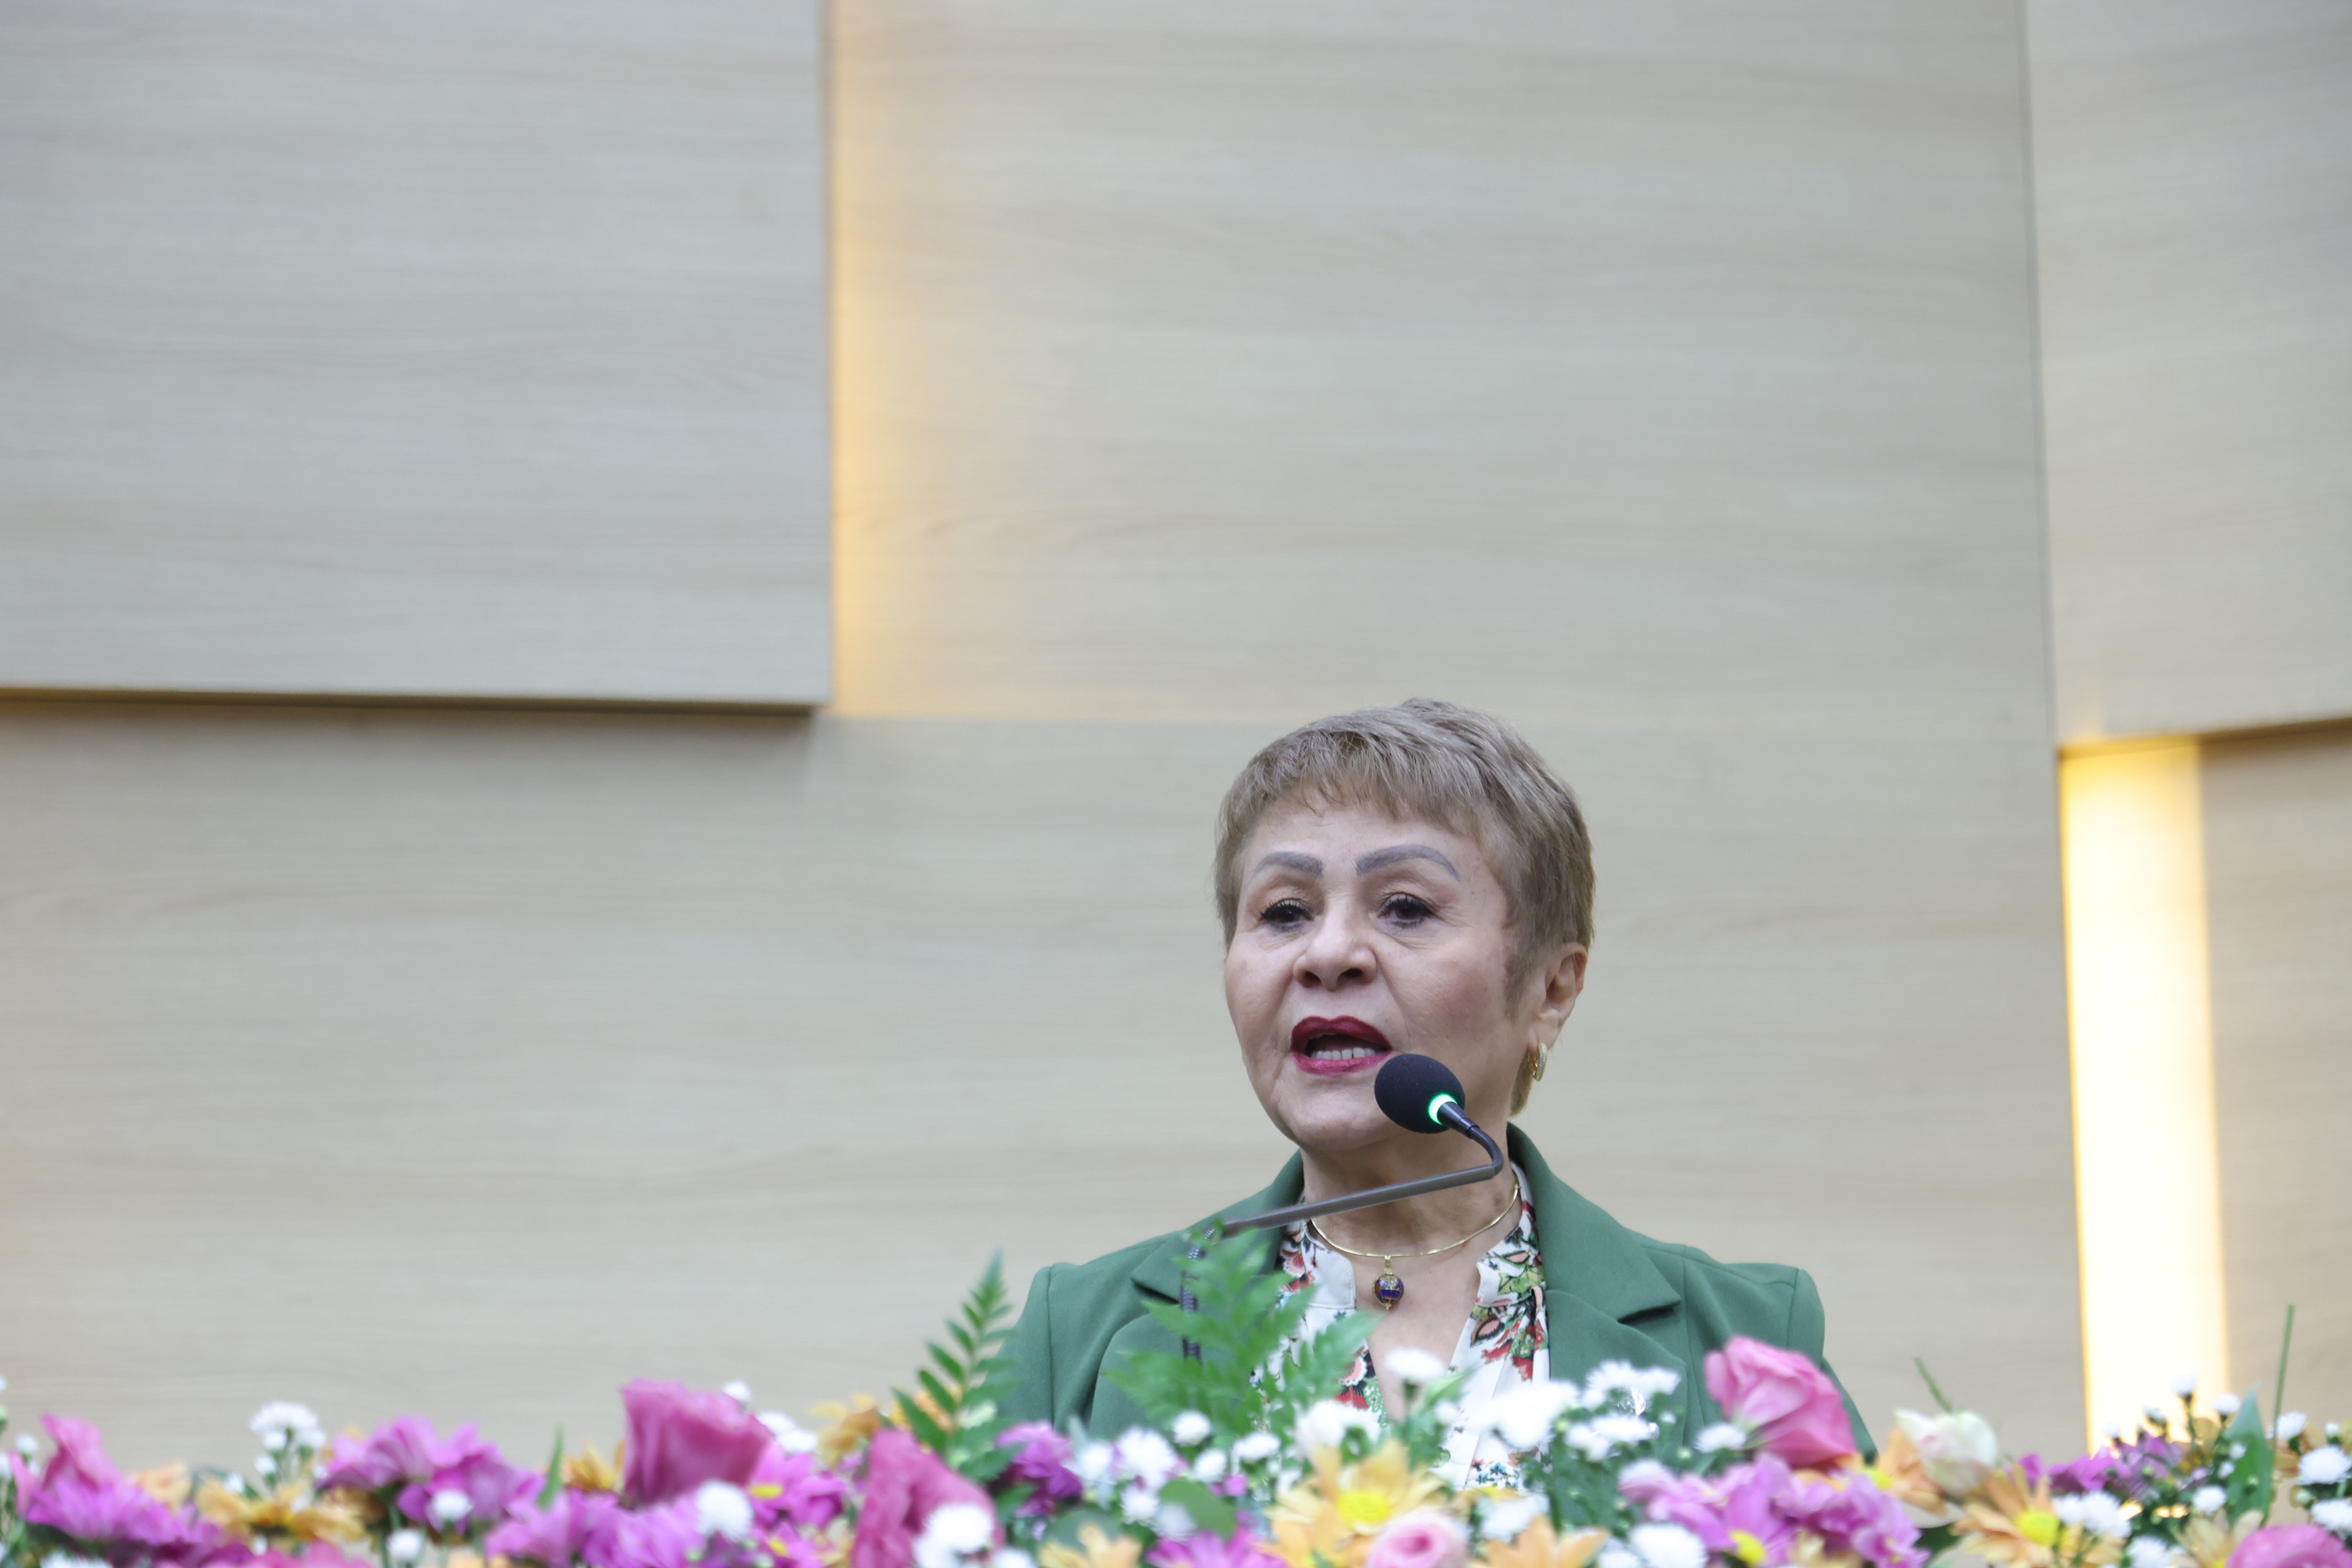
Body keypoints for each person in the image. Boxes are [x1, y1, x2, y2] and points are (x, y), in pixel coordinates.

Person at [998, 699, 1864, 1483]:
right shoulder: (1076, 1333)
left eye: (1405, 906)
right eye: (1284, 911)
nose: (1327, 952)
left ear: (1550, 990)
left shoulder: (1746, 1341)